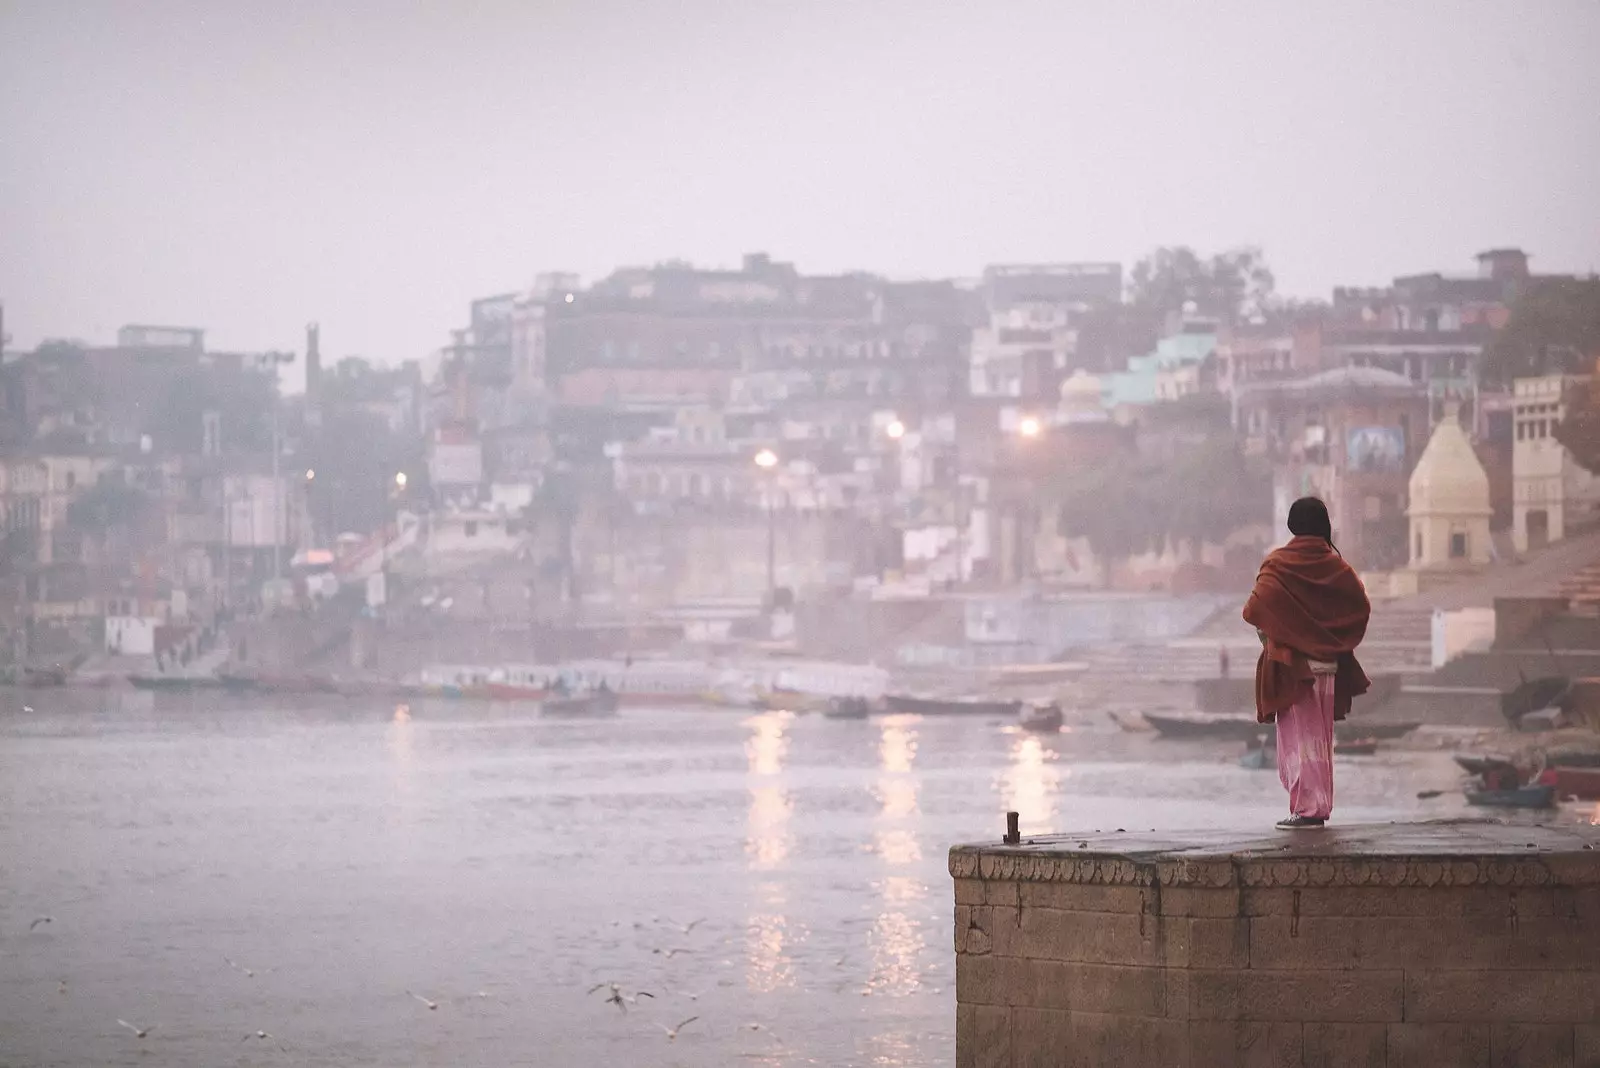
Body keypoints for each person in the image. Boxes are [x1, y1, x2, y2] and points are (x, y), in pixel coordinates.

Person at [1242, 497, 1371, 829]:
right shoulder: (1336, 566)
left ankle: (1309, 810)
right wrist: (1330, 639)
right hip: (1326, 667)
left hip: (1294, 667)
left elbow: (1256, 606)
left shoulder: (1279, 563)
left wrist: (1283, 631)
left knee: (1299, 739)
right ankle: (1315, 806)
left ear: (1292, 525)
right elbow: (1359, 606)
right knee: (1319, 740)